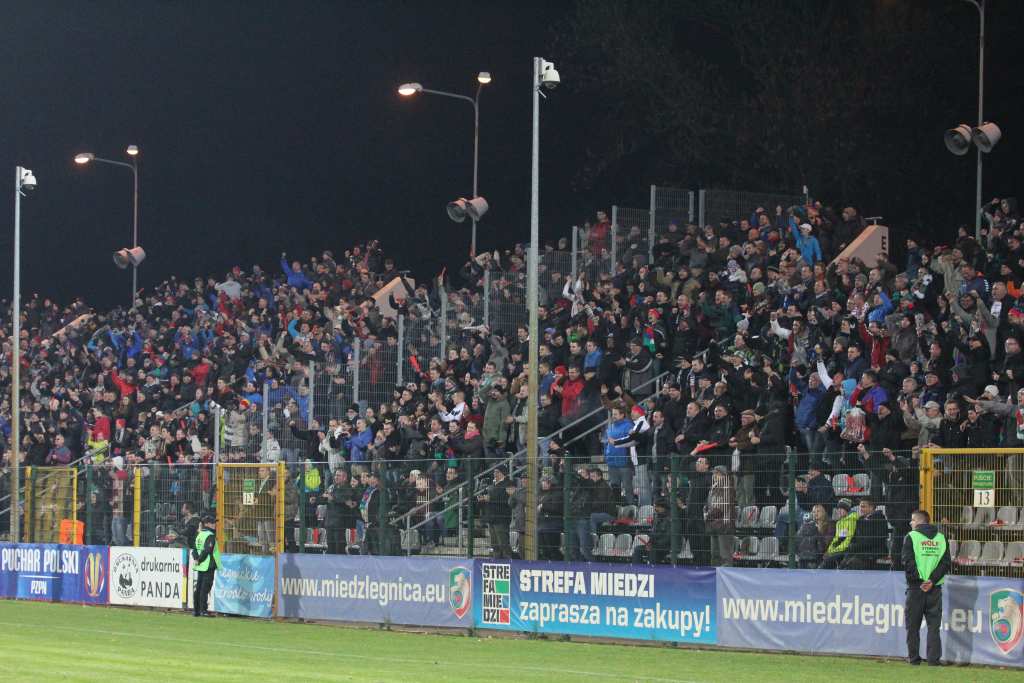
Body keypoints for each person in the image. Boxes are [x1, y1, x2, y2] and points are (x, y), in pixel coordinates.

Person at [902, 509, 951, 666]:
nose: (911, 523)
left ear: (918, 521)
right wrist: (931, 580)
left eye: (912, 520)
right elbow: (945, 563)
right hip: (934, 588)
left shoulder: (911, 537)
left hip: (916, 588)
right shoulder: (941, 538)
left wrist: (920, 580)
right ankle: (933, 660)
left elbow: (908, 562)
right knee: (934, 627)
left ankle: (914, 659)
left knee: (913, 626)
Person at [477, 466, 513, 559]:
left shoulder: (509, 484)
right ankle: (496, 562)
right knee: (494, 544)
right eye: (494, 472)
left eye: (497, 472)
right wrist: (481, 499)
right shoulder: (491, 485)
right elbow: (485, 496)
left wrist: (490, 498)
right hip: (491, 518)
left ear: (503, 473)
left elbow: (507, 500)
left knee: (503, 543)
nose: (494, 474)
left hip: (501, 518)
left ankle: (508, 563)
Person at [191, 513, 220, 617]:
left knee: (199, 587)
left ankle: (196, 610)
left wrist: (196, 559)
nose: (214, 525)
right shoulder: (210, 536)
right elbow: (207, 550)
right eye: (212, 523)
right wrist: (200, 559)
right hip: (208, 565)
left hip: (200, 565)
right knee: (205, 588)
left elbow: (194, 550)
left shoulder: (200, 534)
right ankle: (203, 610)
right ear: (207, 524)